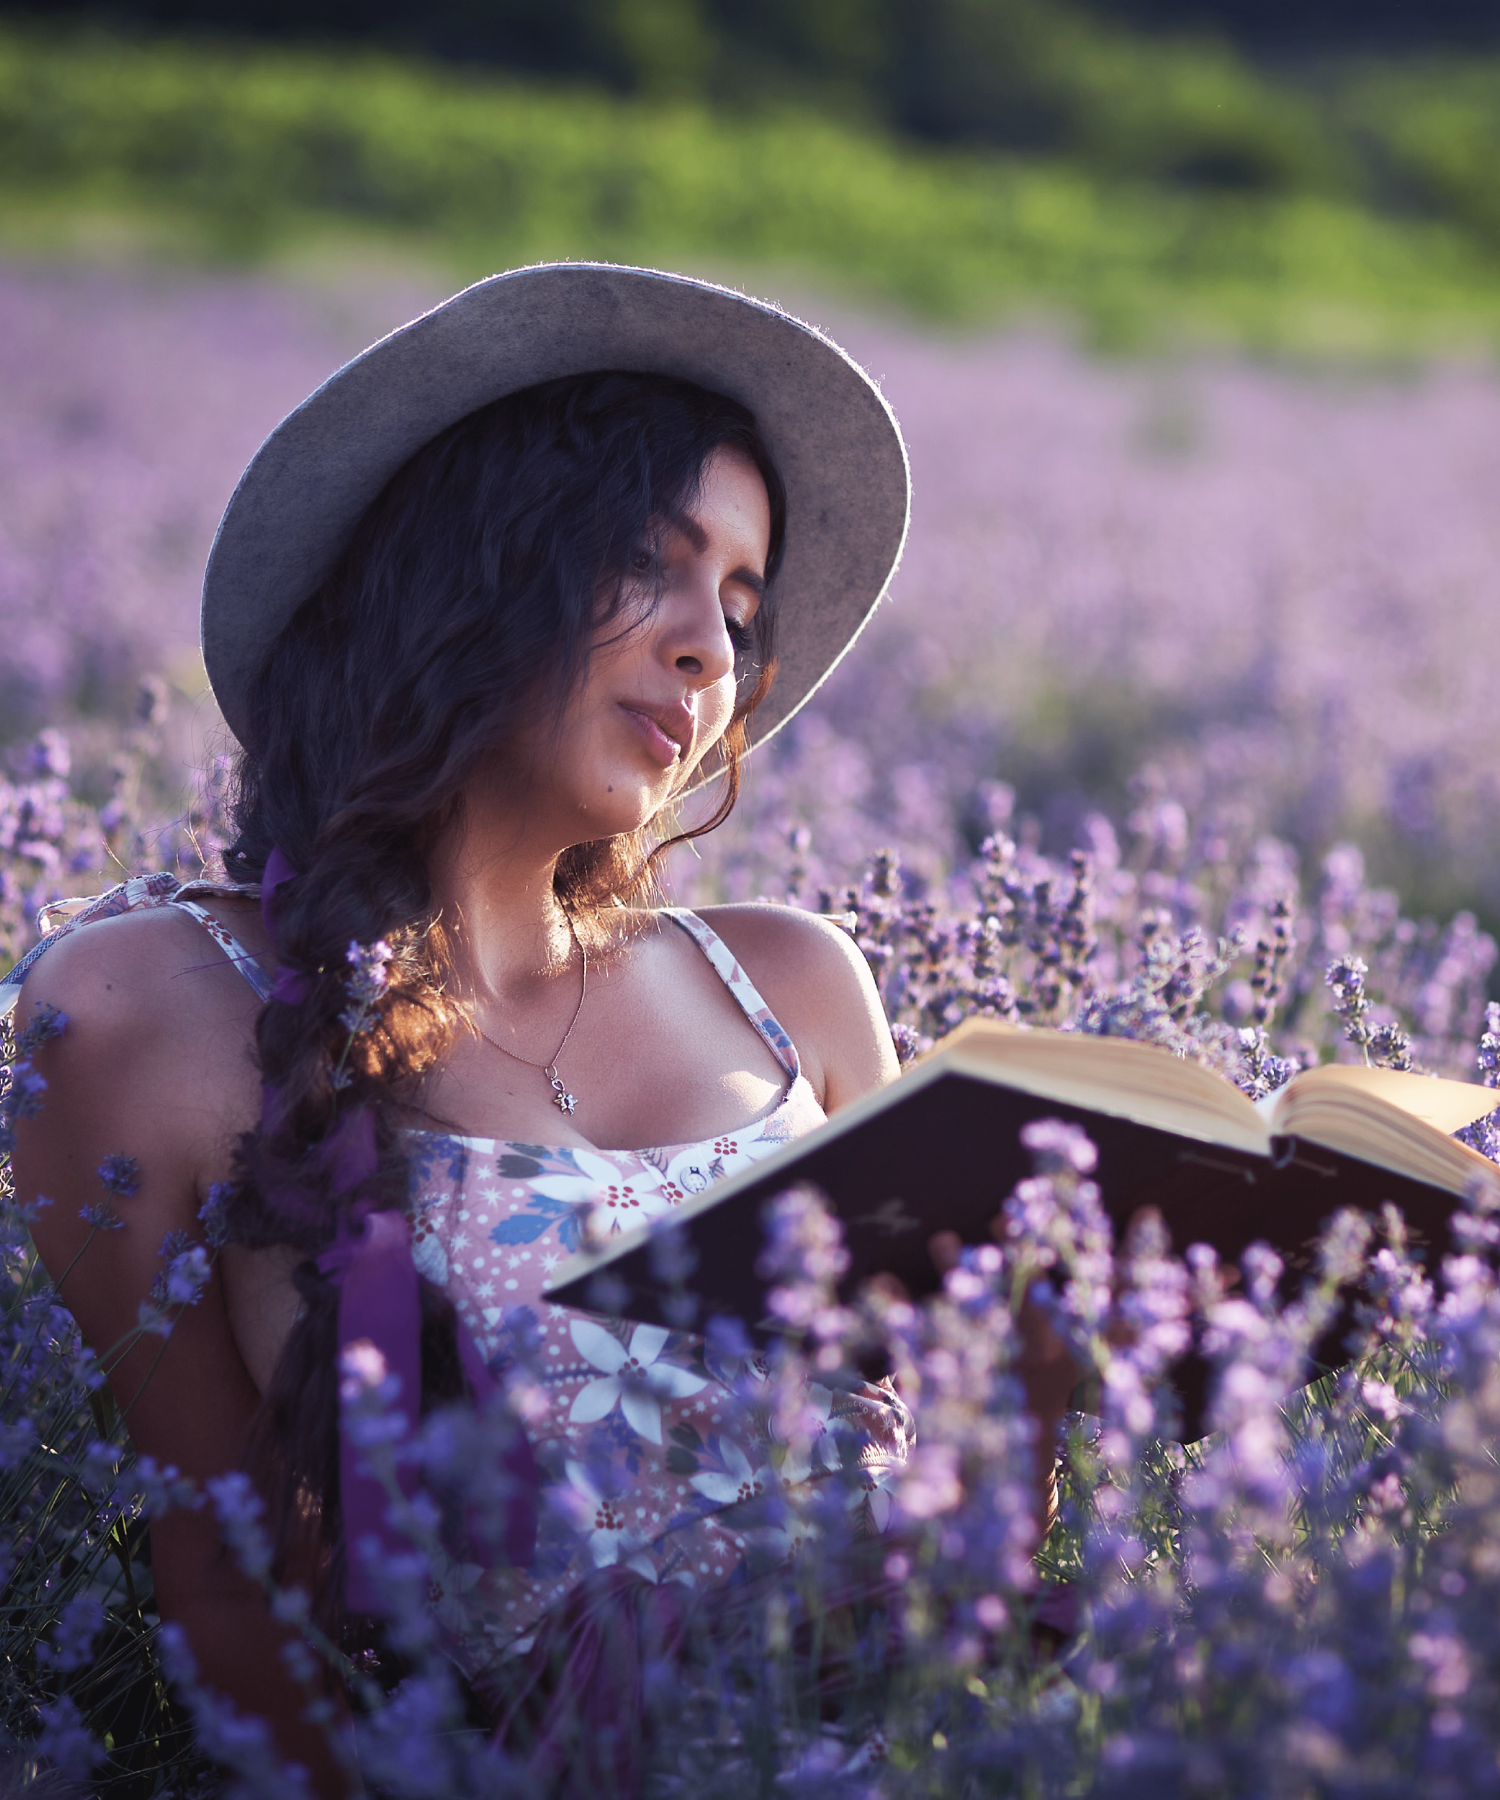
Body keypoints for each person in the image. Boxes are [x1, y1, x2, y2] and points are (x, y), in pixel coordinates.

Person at [5, 264, 1078, 1794]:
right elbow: (239, 1603)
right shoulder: (153, 1012)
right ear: (468, 565)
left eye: (742, 607)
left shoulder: (797, 987)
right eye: (658, 561)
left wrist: (1035, 1382)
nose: (713, 651)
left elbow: (963, 1559)